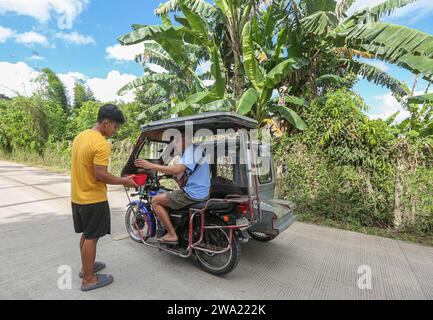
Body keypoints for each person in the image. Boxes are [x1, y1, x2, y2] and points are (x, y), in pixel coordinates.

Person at [71, 104, 138, 292]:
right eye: (115, 126)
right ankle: (89, 279)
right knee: (92, 237)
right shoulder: (100, 143)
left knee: (87, 234)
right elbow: (101, 175)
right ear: (106, 122)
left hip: (77, 196)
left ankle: (87, 268)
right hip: (93, 199)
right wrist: (124, 181)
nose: (115, 131)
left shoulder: (80, 136)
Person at [134, 136, 210, 244]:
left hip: (193, 193)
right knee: (169, 195)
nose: (175, 144)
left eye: (177, 141)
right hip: (202, 192)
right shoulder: (197, 149)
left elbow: (177, 169)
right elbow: (182, 174)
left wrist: (151, 165)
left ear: (185, 139)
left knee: (155, 200)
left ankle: (171, 234)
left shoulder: (190, 151)